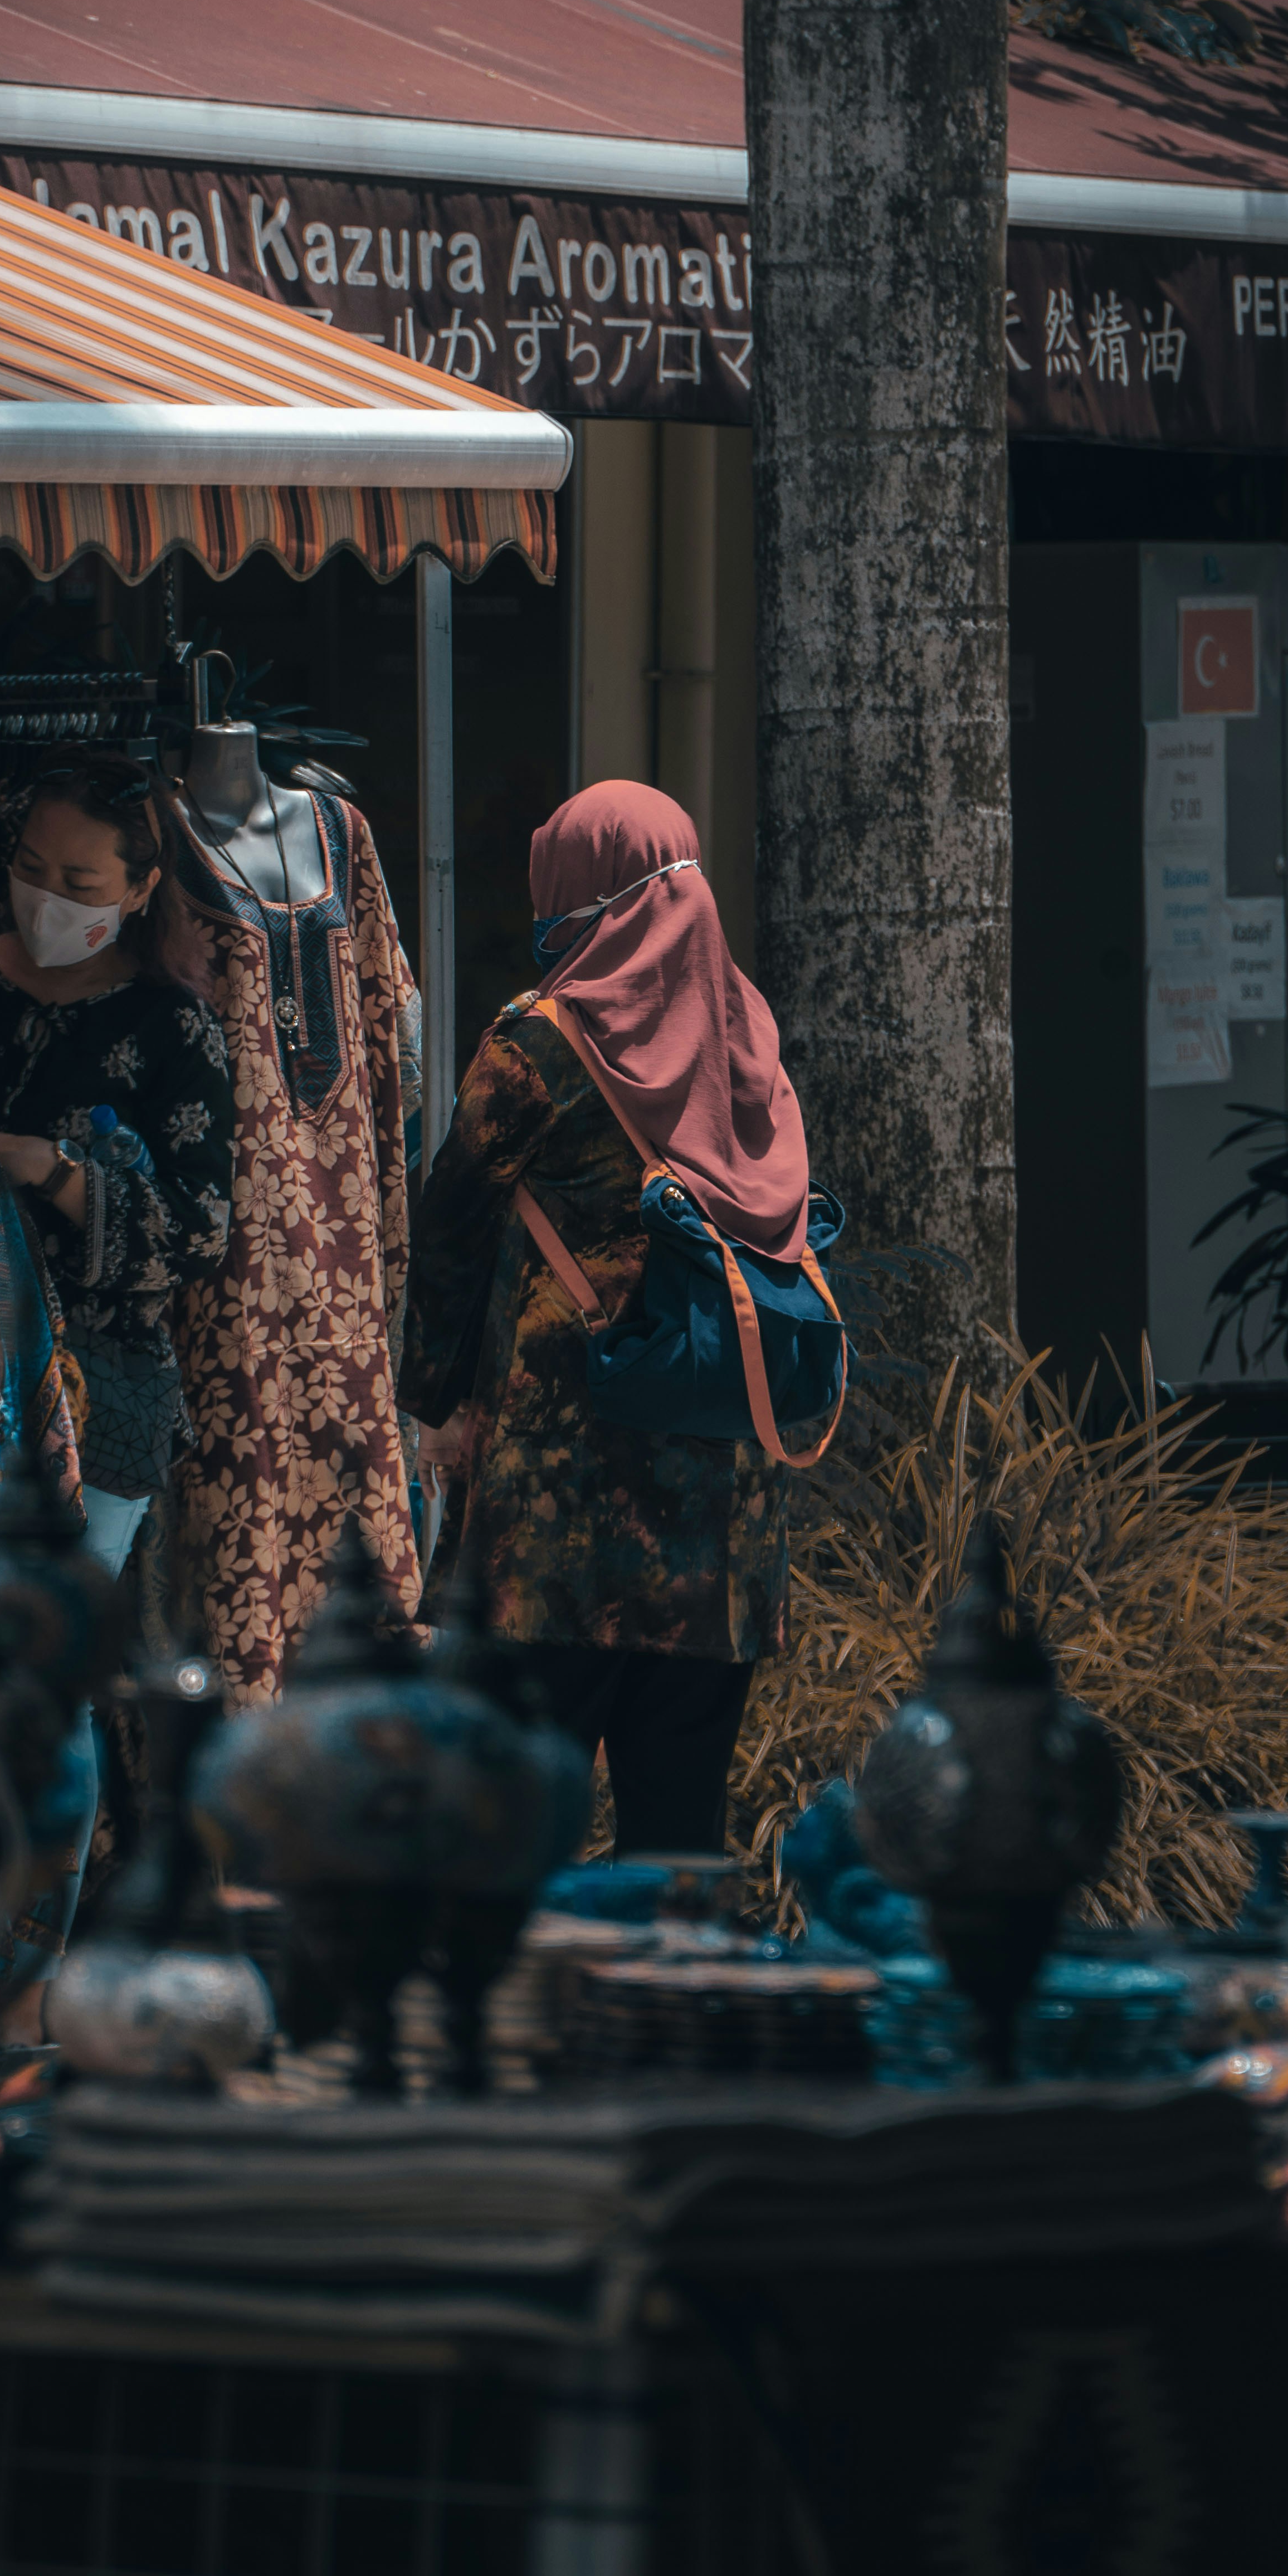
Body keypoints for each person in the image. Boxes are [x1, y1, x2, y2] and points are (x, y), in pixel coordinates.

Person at [398, 781, 814, 1856]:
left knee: (515, 1838)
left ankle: (532, 2024)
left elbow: (450, 1228)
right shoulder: (747, 1035)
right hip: (723, 1511)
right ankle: (664, 2021)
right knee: (679, 1844)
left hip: (560, 1518)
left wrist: (432, 1402)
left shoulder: (538, 1043)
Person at [0, 756, 235, 1924]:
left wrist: (53, 1173)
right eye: (25, 870)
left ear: (138, 885)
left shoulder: (172, 1033)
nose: (43, 898)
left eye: (75, 879)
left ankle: (22, 1980)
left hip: (100, 1392)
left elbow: (202, 1234)